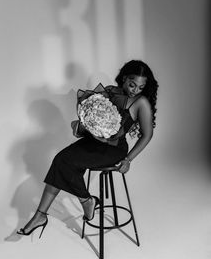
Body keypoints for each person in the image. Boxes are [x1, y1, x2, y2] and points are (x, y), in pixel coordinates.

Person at [17, 59, 159, 238]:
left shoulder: (141, 103)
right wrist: (83, 124)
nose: (135, 90)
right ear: (123, 78)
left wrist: (128, 159)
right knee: (60, 160)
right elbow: (95, 121)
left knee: (63, 161)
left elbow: (147, 135)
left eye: (140, 87)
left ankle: (83, 202)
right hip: (94, 143)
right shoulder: (110, 92)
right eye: (132, 85)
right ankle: (47, 213)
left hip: (114, 150)